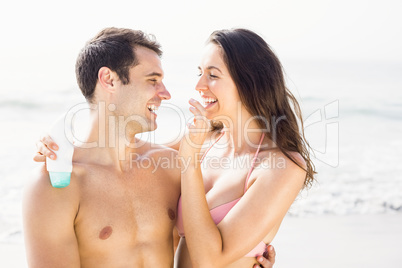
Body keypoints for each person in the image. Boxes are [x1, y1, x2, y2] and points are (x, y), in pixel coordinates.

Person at [27, 27, 276, 268]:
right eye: (152, 80)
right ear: (109, 80)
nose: (166, 93)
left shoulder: (170, 168)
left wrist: (248, 259)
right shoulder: (57, 185)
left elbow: (206, 239)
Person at [174, 29, 316, 267]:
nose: (199, 85)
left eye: (212, 75)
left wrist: (189, 161)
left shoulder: (281, 166)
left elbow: (209, 259)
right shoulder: (204, 140)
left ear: (248, 82)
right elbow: (128, 154)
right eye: (200, 73)